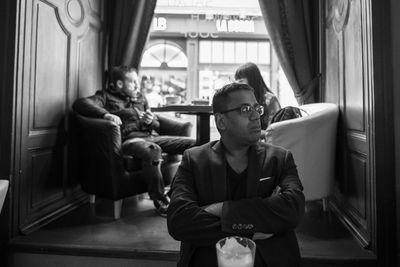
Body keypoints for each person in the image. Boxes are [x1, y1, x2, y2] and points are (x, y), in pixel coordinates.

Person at [167, 83, 305, 267]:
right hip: (210, 257)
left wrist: (222, 210)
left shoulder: (280, 158)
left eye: (257, 108)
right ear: (221, 121)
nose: (256, 115)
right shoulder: (194, 160)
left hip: (268, 258)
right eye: (245, 109)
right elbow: (179, 221)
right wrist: (251, 229)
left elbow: (293, 209)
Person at [73, 66, 196, 217]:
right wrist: (105, 115)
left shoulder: (140, 97)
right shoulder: (105, 96)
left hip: (151, 137)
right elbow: (80, 104)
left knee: (194, 145)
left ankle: (174, 193)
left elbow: (156, 124)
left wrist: (150, 121)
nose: (138, 86)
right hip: (129, 141)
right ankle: (160, 199)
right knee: (153, 150)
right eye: (133, 82)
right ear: (119, 84)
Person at [235, 62, 281, 135]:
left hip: (264, 144)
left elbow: (273, 131)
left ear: (253, 81)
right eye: (236, 82)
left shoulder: (270, 100)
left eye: (241, 81)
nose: (237, 85)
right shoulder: (240, 100)